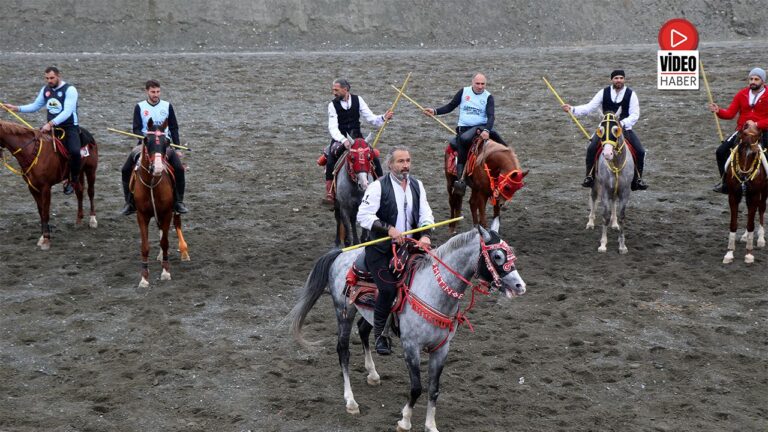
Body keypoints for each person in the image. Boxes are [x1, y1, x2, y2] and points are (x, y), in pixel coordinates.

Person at [357, 146, 434, 355]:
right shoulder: (377, 187)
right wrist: (389, 229)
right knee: (389, 289)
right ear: (390, 164)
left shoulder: (417, 185)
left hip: (411, 248)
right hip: (381, 250)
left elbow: (426, 214)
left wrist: (426, 235)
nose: (405, 165)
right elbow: (363, 216)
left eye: (408, 160)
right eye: (400, 161)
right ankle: (381, 335)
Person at [562, 69, 648, 191]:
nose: (619, 80)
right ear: (611, 80)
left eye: (621, 78)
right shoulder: (603, 92)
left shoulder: (631, 94)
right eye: (616, 78)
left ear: (624, 79)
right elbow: (589, 107)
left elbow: (635, 114)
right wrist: (572, 109)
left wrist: (621, 124)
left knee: (640, 151)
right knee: (591, 148)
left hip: (623, 129)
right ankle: (589, 177)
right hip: (606, 128)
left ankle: (637, 180)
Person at [423, 72, 507, 195]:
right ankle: (460, 180)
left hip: (482, 128)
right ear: (472, 83)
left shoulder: (489, 97)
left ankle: (510, 170)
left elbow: (491, 116)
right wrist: (435, 111)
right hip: (464, 130)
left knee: (503, 145)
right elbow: (450, 106)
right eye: (477, 83)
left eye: (483, 84)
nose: (480, 86)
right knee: (463, 141)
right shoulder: (464, 92)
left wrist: (486, 130)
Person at [3, 66, 81, 195]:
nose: (49, 81)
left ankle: (74, 180)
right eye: (47, 78)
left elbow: (67, 111)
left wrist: (50, 123)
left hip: (69, 127)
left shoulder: (70, 90)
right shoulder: (46, 90)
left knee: (74, 151)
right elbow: (35, 106)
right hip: (51, 128)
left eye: (52, 78)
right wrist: (16, 108)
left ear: (58, 76)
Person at [120, 80, 188, 215]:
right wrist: (145, 139)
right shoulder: (139, 107)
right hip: (145, 145)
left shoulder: (167, 106)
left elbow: (174, 128)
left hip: (164, 145)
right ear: (147, 91)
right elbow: (136, 128)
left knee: (179, 169)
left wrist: (178, 148)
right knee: (125, 169)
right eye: (153, 92)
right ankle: (129, 202)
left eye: (157, 92)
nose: (156, 94)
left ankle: (178, 202)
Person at [321, 78, 393, 205]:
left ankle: (381, 186)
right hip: (340, 138)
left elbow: (371, 118)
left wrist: (383, 117)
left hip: (357, 138)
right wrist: (343, 140)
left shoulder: (358, 100)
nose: (334, 93)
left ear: (345, 89)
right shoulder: (332, 105)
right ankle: (330, 192)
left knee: (373, 157)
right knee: (331, 158)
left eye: (336, 90)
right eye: (333, 90)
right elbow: (332, 127)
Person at [709, 67, 768, 193]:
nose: (753, 81)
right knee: (721, 151)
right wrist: (719, 111)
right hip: (742, 131)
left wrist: (757, 124)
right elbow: (730, 114)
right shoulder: (741, 94)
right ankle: (725, 183)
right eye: (751, 79)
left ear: (763, 81)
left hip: (763, 131)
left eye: (756, 79)